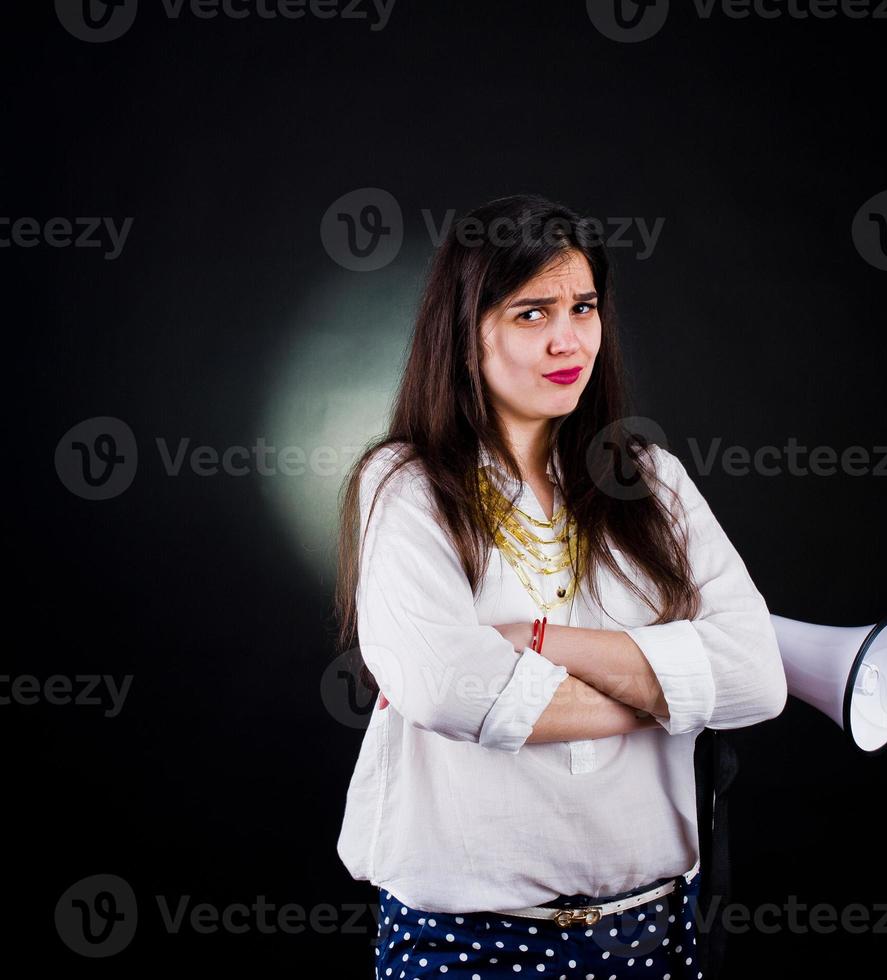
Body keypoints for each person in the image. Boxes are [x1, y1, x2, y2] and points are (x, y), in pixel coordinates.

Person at [333, 193, 787, 979]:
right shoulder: (404, 486)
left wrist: (541, 644)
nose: (567, 339)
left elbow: (758, 677)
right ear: (463, 334)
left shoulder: (652, 481)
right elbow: (448, 691)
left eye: (582, 306)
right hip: (465, 942)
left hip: (653, 932)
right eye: (529, 314)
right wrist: (671, 694)